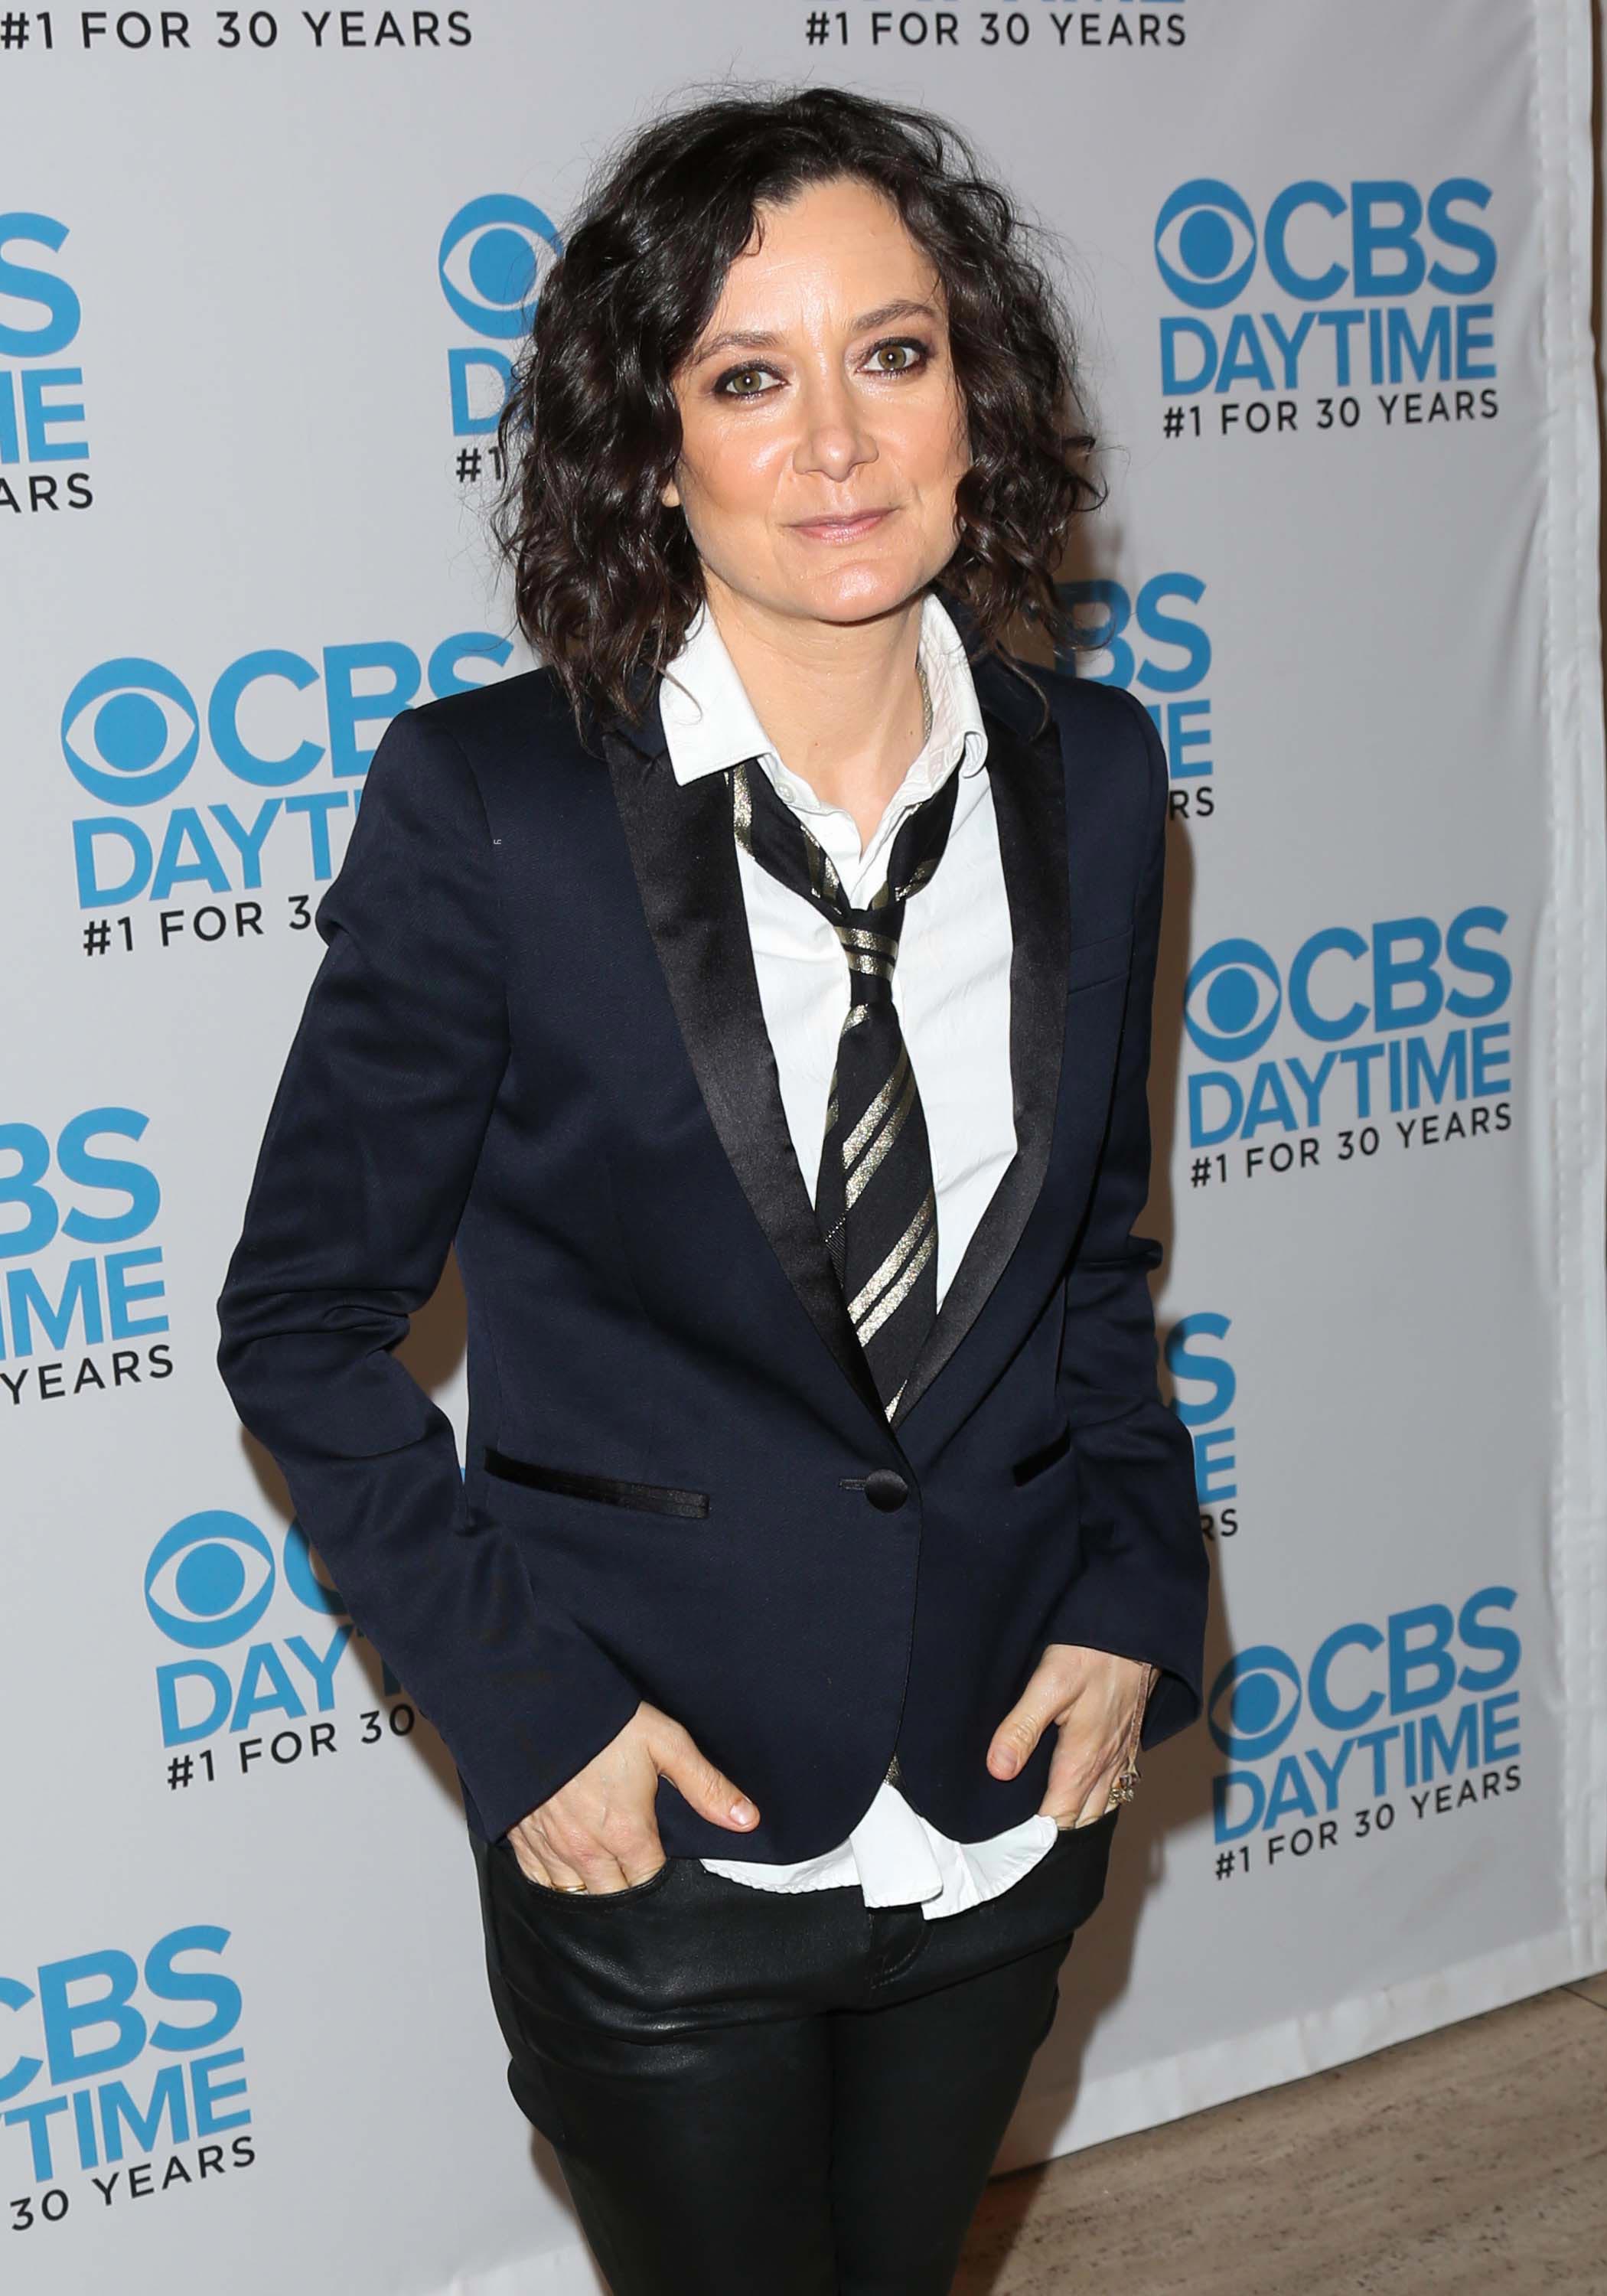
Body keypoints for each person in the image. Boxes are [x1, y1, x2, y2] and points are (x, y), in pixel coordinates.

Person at [216, 83, 1208, 2296]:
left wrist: (1138, 1588)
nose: (837, 443)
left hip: (1000, 1788)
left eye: (893, 353)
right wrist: (525, 1713)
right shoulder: (498, 807)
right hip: (654, 1813)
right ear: (651, 450)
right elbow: (299, 1326)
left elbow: (1092, 1270)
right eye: (747, 379)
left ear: (979, 399)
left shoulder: (1103, 778)